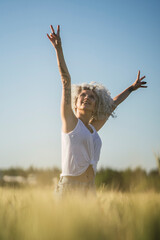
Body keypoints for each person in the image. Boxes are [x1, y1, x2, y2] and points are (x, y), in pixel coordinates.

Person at [47, 25, 147, 197]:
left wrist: (131, 88)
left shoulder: (93, 129)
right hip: (70, 188)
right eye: (82, 96)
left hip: (90, 189)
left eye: (91, 97)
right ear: (76, 103)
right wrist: (59, 48)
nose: (86, 98)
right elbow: (65, 80)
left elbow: (113, 104)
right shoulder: (70, 123)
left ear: (96, 106)